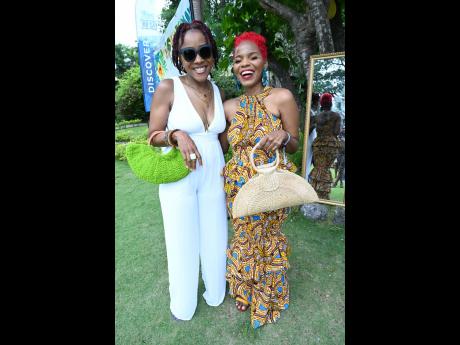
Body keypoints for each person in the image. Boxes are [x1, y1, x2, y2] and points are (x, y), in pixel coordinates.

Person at [147, 20, 228, 321]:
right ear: (179, 58)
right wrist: (176, 134)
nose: (199, 60)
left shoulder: (217, 90)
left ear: (212, 53)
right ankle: (183, 305)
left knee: (216, 235)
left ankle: (216, 291)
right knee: (182, 240)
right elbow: (153, 135)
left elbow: (221, 138)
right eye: (189, 53)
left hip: (213, 172)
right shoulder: (169, 87)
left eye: (204, 51)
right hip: (179, 175)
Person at [220, 32, 300, 329]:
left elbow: (294, 143)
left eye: (252, 57)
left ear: (264, 60)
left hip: (271, 185)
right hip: (238, 188)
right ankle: (244, 288)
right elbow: (219, 149)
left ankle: (268, 292)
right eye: (238, 59)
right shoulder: (228, 106)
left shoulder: (282, 97)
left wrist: (284, 135)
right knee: (243, 238)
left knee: (266, 238)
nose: (245, 64)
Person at [309, 93, 341, 199]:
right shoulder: (336, 116)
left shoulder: (317, 117)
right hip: (331, 146)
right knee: (325, 168)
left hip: (318, 145)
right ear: (331, 103)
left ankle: (314, 191)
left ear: (322, 104)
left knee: (318, 168)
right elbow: (336, 132)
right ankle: (323, 195)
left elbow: (309, 129)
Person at [306, 92, 320, 182]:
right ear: (315, 102)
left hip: (311, 141)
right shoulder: (310, 113)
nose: (319, 104)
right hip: (308, 141)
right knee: (307, 162)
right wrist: (315, 123)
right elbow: (308, 129)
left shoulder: (313, 112)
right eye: (318, 102)